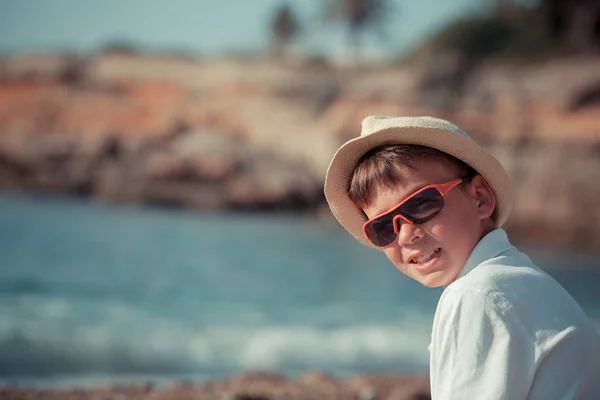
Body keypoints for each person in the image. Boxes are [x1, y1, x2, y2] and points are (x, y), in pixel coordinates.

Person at [324, 115, 600, 399]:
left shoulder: (478, 295)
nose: (406, 236)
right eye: (383, 227)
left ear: (480, 197)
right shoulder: (518, 281)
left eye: (421, 203)